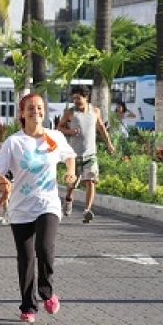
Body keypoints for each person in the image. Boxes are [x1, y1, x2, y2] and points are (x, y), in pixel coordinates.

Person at [0, 93, 76, 323]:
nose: (35, 111)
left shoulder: (54, 137)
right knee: (26, 259)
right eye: (30, 108)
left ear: (44, 111)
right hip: (20, 207)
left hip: (48, 203)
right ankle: (28, 306)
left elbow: (69, 156)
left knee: (44, 247)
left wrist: (70, 171)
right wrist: (1, 181)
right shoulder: (14, 142)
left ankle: (47, 292)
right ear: (22, 113)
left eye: (39, 108)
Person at [57, 85, 114, 223]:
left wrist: (109, 144)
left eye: (78, 98)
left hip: (90, 154)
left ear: (86, 97)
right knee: (72, 184)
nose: (75, 101)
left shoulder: (95, 111)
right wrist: (70, 132)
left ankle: (87, 210)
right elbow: (59, 127)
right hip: (74, 155)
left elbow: (101, 127)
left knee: (90, 181)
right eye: (74, 98)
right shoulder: (70, 113)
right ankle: (68, 199)